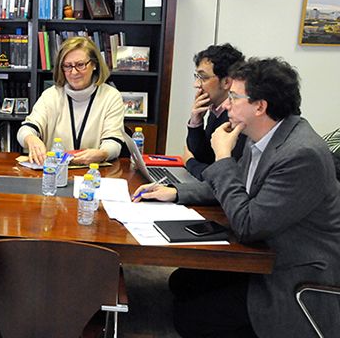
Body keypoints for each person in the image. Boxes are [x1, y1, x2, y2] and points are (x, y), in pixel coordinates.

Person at [133, 58, 340, 338]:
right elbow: (237, 184)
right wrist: (177, 192)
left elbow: (247, 225)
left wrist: (222, 156)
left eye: (234, 97)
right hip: (265, 252)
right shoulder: (266, 134)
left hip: (293, 271)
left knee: (188, 318)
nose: (227, 104)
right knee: (183, 282)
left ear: (260, 106)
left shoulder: (301, 155)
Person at [18, 36, 125, 165]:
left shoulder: (111, 96)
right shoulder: (51, 95)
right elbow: (25, 130)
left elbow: (114, 142)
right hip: (54, 173)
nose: (73, 72)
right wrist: (31, 139)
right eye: (67, 66)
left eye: (80, 65)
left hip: (93, 172)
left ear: (94, 64)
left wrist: (102, 153)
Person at [185, 43, 247, 180]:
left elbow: (222, 178)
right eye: (196, 76)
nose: (196, 84)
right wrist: (196, 122)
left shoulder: (237, 117)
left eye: (203, 77)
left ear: (226, 82)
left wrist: (190, 163)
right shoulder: (216, 109)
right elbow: (206, 157)